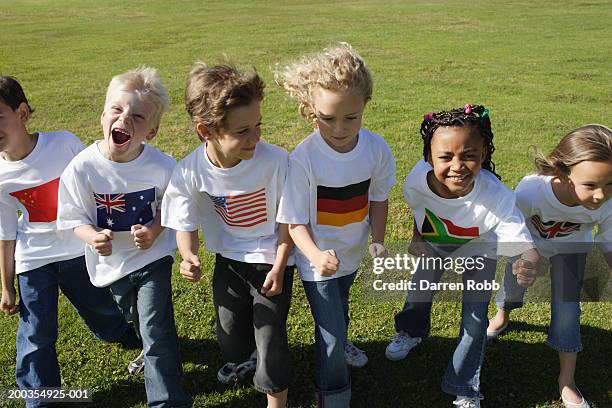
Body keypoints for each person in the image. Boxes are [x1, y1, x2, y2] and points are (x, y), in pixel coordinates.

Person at [386, 104, 540, 408]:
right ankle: (411, 330)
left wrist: (528, 257)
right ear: (429, 158)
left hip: (480, 247)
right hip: (438, 239)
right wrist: (418, 237)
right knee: (419, 288)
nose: (457, 165)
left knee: (474, 317)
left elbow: (517, 233)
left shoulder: (495, 194)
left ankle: (465, 385)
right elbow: (420, 210)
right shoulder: (416, 181)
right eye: (445, 157)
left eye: (469, 155)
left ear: (483, 154)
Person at [57, 67, 191, 407]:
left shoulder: (162, 166)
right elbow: (72, 216)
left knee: (154, 323)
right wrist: (91, 236)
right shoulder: (82, 167)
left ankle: (166, 399)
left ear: (153, 130)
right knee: (135, 317)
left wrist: (154, 230)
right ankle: (153, 347)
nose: (125, 119)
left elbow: (173, 207)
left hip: (152, 258)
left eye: (138, 115)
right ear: (103, 115)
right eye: (117, 110)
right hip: (112, 264)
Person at [162, 62, 294, 408]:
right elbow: (183, 219)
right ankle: (246, 358)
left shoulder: (276, 161)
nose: (256, 137)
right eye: (242, 131)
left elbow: (288, 220)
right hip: (230, 261)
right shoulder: (190, 170)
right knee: (230, 334)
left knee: (270, 332)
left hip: (271, 258)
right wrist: (188, 255)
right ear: (206, 131)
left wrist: (280, 265)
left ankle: (275, 398)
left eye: (258, 125)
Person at [0, 76, 137, 408]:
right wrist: (6, 285)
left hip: (79, 249)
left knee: (101, 308)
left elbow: (98, 182)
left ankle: (123, 333)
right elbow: (5, 233)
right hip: (34, 258)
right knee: (36, 333)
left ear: (21, 113)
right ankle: (41, 399)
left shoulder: (62, 144)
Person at [275, 43, 396, 407]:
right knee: (328, 331)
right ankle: (333, 396)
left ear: (365, 106)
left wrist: (377, 239)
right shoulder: (304, 158)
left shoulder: (377, 150)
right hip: (318, 260)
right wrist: (314, 255)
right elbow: (294, 221)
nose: (340, 129)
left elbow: (378, 199)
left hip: (352, 250)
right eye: (328, 118)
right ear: (311, 113)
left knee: (339, 310)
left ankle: (343, 340)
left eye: (351, 117)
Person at [488, 124, 612, 408]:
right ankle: (503, 314)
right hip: (528, 248)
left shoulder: (607, 201)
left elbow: (608, 240)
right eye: (591, 185)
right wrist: (527, 257)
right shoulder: (532, 191)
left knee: (568, 309)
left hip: (571, 252)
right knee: (513, 285)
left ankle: (566, 380)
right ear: (562, 174)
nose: (601, 195)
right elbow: (509, 226)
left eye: (610, 184)